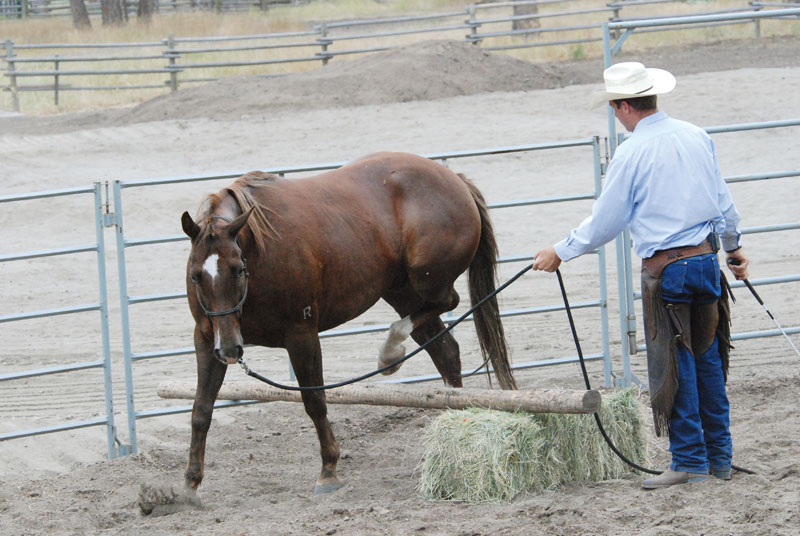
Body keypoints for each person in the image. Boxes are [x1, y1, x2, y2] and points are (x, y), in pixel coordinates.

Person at [532, 62, 750, 489]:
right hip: (706, 261)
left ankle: (689, 460)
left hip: (668, 270)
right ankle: (719, 457)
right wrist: (733, 247)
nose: (616, 115)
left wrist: (561, 250)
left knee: (674, 364)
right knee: (707, 359)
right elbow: (724, 201)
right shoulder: (695, 135)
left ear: (625, 106)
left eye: (615, 107)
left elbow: (606, 220)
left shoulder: (632, 151)